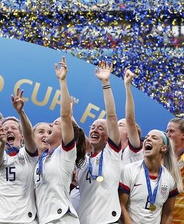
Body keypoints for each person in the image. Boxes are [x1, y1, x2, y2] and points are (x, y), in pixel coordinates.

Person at [34, 57, 86, 223]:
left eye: (55, 124)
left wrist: (62, 81)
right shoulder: (42, 158)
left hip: (62, 219)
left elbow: (65, 116)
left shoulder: (65, 153)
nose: (50, 124)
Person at [76, 61, 122, 224]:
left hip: (108, 221)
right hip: (83, 220)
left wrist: (105, 84)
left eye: (101, 128)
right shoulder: (82, 161)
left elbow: (111, 116)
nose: (95, 130)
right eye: (93, 127)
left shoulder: (112, 154)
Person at [0, 87, 39, 224]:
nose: (9, 130)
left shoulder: (29, 154)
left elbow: (29, 134)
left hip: (25, 219)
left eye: (13, 128)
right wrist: (2, 144)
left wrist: (20, 112)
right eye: (5, 129)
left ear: (21, 137)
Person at [119, 130, 183, 224]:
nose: (148, 139)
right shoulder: (129, 170)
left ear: (163, 148)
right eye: (147, 137)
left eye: (154, 138)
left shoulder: (170, 179)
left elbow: (168, 214)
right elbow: (121, 206)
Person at [120, 69, 143, 165]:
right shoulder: (110, 152)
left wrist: (127, 86)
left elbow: (130, 120)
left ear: (129, 133)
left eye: (120, 125)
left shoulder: (132, 151)